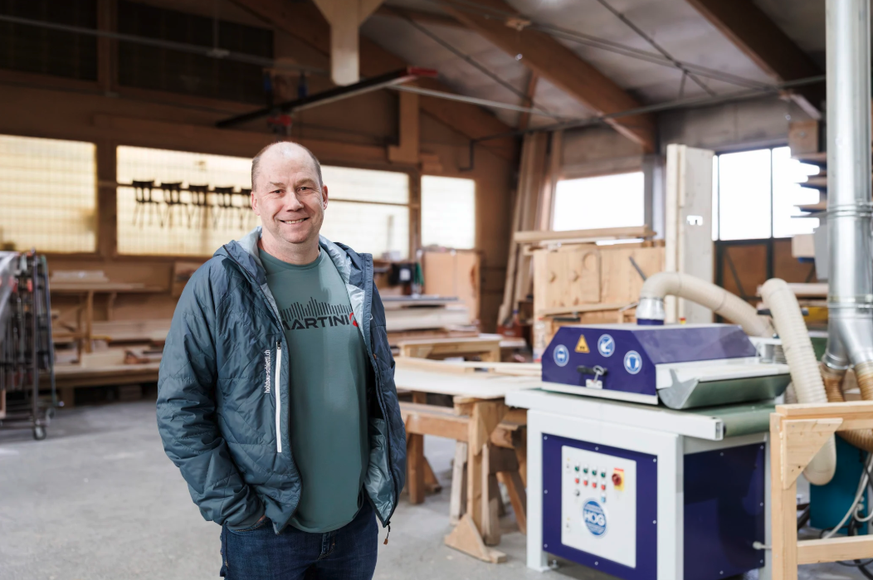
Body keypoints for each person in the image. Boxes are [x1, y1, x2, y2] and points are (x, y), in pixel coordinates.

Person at [156, 141, 406, 580]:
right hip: (267, 529)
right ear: (255, 201)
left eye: (305, 188)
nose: (293, 202)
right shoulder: (218, 284)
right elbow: (180, 407)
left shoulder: (356, 280)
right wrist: (237, 508)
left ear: (324, 196)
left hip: (354, 522)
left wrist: (378, 484)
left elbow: (378, 390)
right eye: (276, 190)